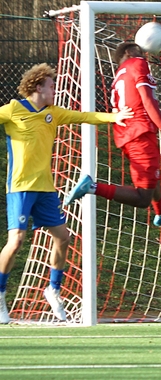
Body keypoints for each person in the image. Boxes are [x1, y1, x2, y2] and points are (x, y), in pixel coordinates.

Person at [0, 63, 130, 323]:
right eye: (51, 86)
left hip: (45, 189)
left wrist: (113, 117)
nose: (55, 90)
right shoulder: (13, 109)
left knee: (63, 238)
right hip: (20, 187)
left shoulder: (54, 113)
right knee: (16, 242)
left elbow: (84, 116)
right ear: (38, 87)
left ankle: (53, 289)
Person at [64, 42, 161, 225]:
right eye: (138, 50)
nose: (143, 54)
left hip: (130, 136)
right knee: (142, 198)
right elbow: (148, 102)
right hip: (141, 136)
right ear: (128, 52)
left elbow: (145, 113)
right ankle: (91, 187)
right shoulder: (137, 63)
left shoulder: (121, 74)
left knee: (152, 178)